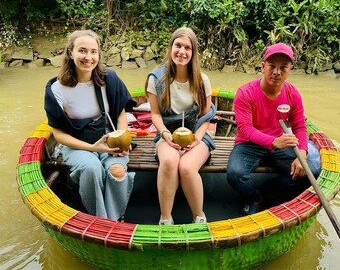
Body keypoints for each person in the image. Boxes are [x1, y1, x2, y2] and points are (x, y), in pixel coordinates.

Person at [44, 30, 136, 221]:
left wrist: (122, 140)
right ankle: (100, 221)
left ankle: (115, 218)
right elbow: (59, 135)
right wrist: (92, 148)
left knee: (117, 171)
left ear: (99, 54)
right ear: (71, 53)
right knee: (92, 168)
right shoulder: (56, 89)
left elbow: (120, 114)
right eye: (82, 51)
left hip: (108, 137)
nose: (89, 57)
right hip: (76, 144)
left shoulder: (109, 79)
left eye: (93, 52)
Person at [226, 43, 320, 216]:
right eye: (272, 66)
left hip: (281, 144)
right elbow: (245, 129)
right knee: (235, 174)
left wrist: (302, 153)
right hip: (249, 144)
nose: (277, 72)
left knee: (311, 171)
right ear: (263, 67)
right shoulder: (245, 93)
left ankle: (271, 193)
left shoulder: (293, 93)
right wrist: (272, 141)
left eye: (283, 67)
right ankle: (255, 197)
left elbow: (299, 126)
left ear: (290, 69)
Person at [145, 27, 215, 225]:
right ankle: (166, 218)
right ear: (171, 47)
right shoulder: (156, 78)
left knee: (186, 167)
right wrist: (165, 134)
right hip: (167, 132)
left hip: (197, 131)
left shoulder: (201, 80)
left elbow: (206, 114)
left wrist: (198, 138)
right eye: (178, 45)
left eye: (187, 47)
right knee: (168, 162)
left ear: (193, 53)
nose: (182, 52)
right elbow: (156, 114)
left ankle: (199, 217)